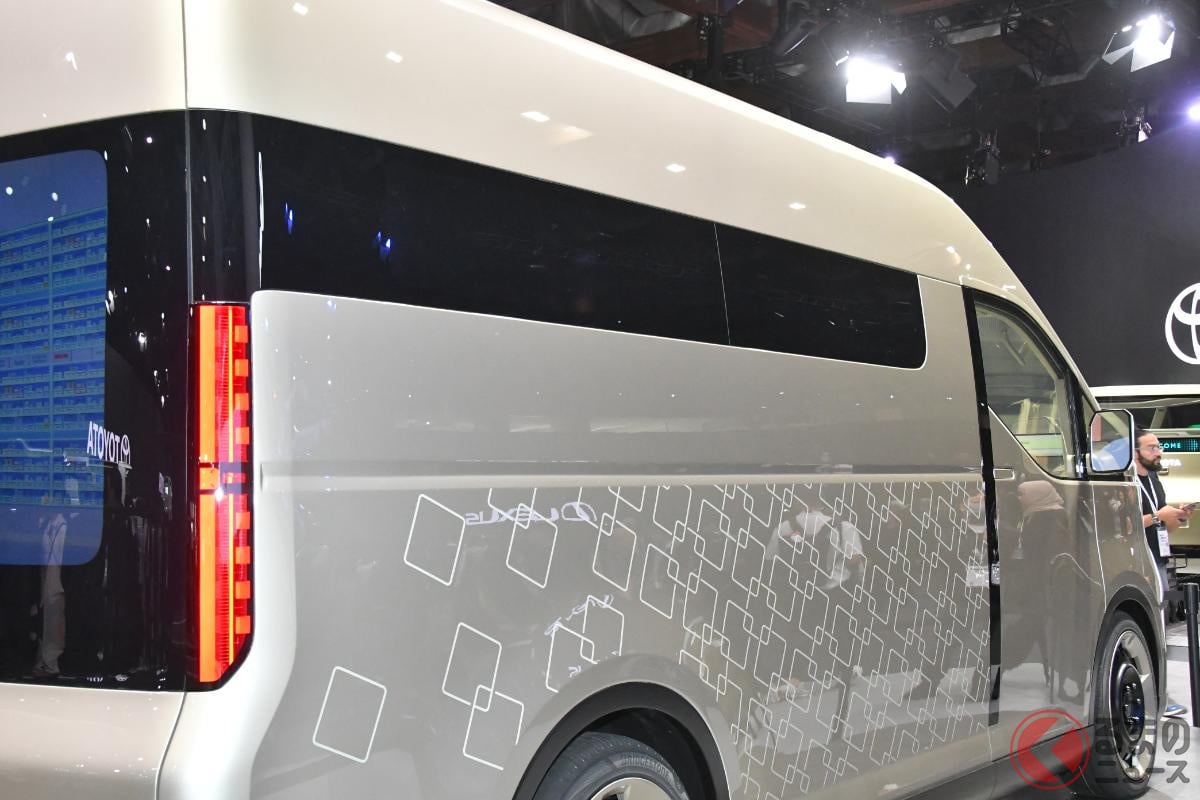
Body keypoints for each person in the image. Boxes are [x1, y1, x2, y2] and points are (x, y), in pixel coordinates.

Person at [1134, 429, 1191, 718]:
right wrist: (1158, 516)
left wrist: (1176, 517)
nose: (1158, 452)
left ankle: (1158, 694)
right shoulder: (1127, 482)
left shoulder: (1154, 480)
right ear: (1136, 453)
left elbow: (1163, 526)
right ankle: (1153, 696)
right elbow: (1125, 522)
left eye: (1159, 447)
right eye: (1152, 447)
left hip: (1158, 560)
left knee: (1159, 628)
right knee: (1148, 629)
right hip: (1137, 562)